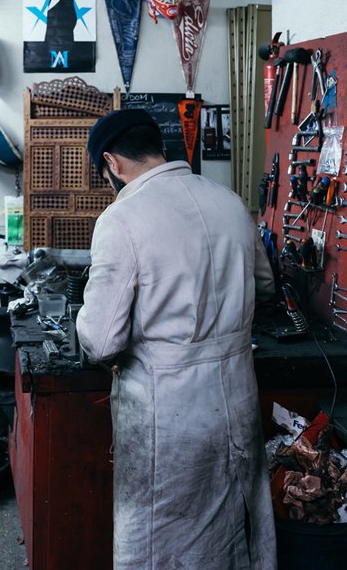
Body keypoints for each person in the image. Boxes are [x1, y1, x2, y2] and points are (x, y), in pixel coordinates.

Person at [76, 109, 277, 570]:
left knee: (165, 545)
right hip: (236, 397)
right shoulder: (229, 202)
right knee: (233, 532)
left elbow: (102, 339)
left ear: (112, 162)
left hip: (168, 414)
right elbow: (265, 287)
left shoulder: (121, 218)